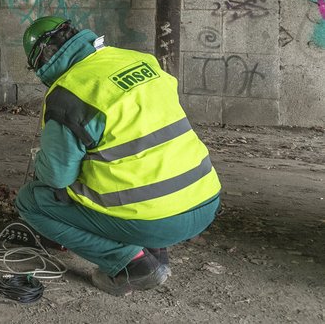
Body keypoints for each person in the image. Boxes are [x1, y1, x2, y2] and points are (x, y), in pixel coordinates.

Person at [14, 16, 221, 296]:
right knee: (134, 163)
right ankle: (153, 249)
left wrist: (42, 159)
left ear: (40, 61)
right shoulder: (140, 61)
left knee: (32, 200)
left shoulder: (68, 93)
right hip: (205, 199)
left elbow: (57, 176)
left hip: (158, 218)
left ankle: (132, 264)